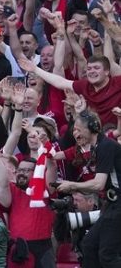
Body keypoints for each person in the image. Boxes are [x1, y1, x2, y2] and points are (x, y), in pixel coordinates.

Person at [52, 110, 121, 267]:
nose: (75, 133)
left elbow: (98, 184)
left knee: (107, 255)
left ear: (92, 128)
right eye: (74, 130)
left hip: (118, 204)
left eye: (78, 129)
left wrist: (72, 185)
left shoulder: (106, 146)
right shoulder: (97, 147)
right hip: (112, 204)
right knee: (89, 245)